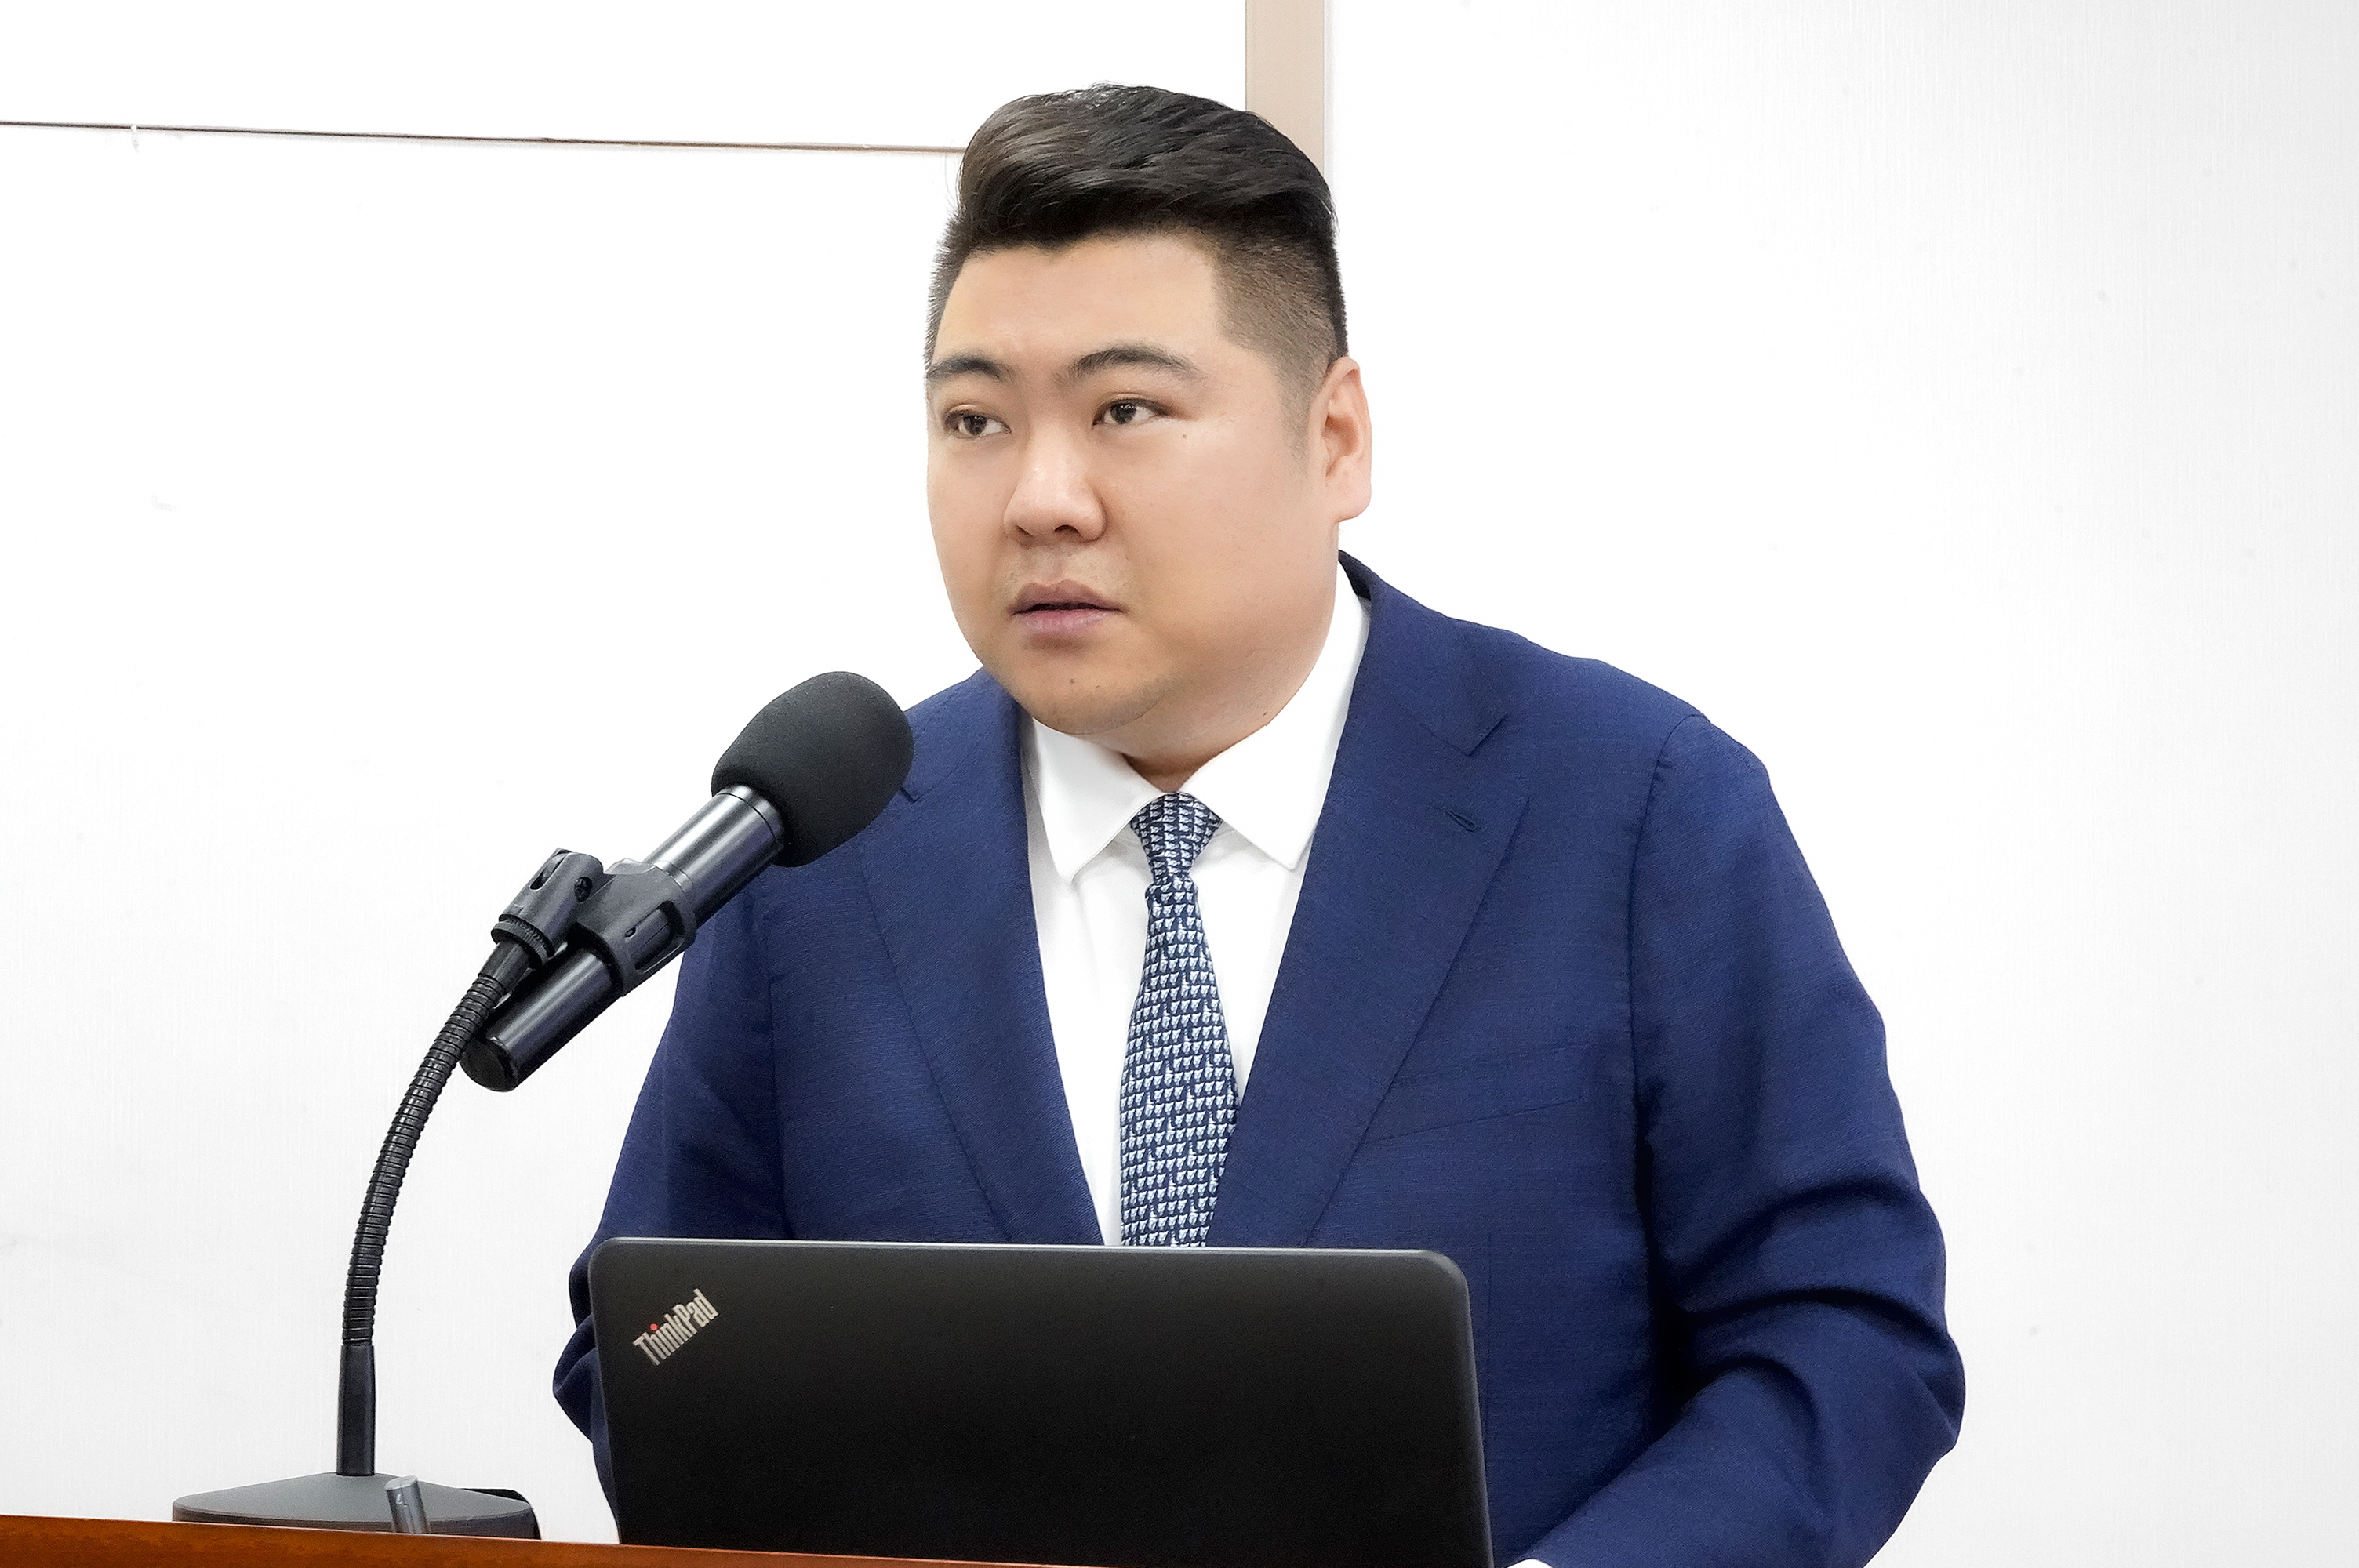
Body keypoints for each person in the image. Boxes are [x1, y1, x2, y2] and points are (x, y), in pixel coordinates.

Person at [557, 83, 1964, 1567]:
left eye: (1126, 411)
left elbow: (1842, 1335)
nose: (1041, 498)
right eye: (975, 420)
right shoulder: (822, 851)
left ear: (1335, 436)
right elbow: (648, 1342)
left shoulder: (1634, 808)